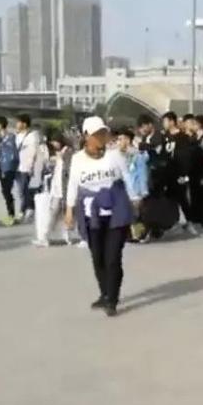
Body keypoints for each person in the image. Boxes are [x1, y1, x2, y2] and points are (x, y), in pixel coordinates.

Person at [65, 117, 140, 316]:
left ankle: (112, 300)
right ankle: (104, 292)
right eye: (96, 134)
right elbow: (73, 184)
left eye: (103, 133)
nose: (101, 137)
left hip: (116, 211)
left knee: (113, 257)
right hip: (92, 214)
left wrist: (135, 199)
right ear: (86, 136)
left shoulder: (115, 156)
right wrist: (69, 210)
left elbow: (127, 177)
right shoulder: (77, 159)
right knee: (98, 257)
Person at [33, 130, 74, 247]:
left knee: (56, 213)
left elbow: (67, 166)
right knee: (56, 213)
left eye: (55, 142)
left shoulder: (68, 151)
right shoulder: (61, 152)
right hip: (57, 187)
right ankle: (49, 237)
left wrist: (59, 157)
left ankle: (47, 237)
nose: (54, 144)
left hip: (63, 187)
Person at [162, 111, 197, 235]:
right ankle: (175, 222)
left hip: (179, 172)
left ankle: (190, 222)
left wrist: (184, 174)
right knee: (170, 198)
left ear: (172, 121)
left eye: (165, 121)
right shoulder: (165, 136)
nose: (164, 124)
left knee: (183, 198)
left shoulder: (182, 137)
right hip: (168, 172)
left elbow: (186, 157)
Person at [0, 116, 19, 226]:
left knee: (7, 192)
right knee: (5, 192)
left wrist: (8, 167)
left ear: (0, 125)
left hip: (8, 168)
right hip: (2, 168)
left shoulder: (10, 137)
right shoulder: (1, 137)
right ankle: (10, 214)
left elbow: (12, 154)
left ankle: (11, 215)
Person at [15, 113, 39, 222]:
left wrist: (30, 167)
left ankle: (22, 212)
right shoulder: (17, 136)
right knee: (21, 191)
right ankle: (30, 209)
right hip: (17, 167)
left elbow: (33, 153)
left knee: (24, 190)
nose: (16, 124)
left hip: (26, 167)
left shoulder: (32, 136)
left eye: (18, 122)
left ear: (24, 124)